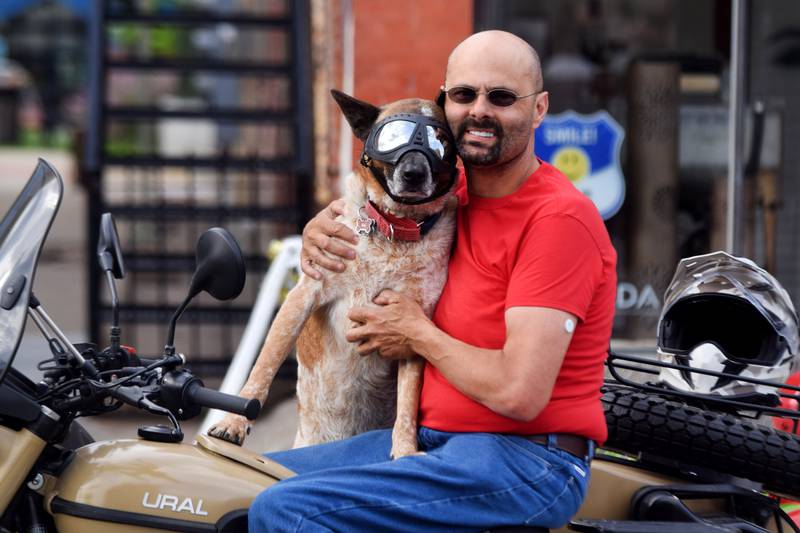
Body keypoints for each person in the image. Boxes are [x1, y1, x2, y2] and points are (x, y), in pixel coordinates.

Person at [249, 30, 617, 532]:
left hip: (526, 460)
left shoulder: (557, 220)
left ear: (539, 108)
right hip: (437, 440)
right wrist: (322, 229)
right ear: (443, 106)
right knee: (247, 481)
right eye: (464, 95)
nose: (479, 110)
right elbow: (368, 203)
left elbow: (518, 393)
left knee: (287, 510)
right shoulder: (442, 199)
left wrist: (415, 332)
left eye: (502, 97)